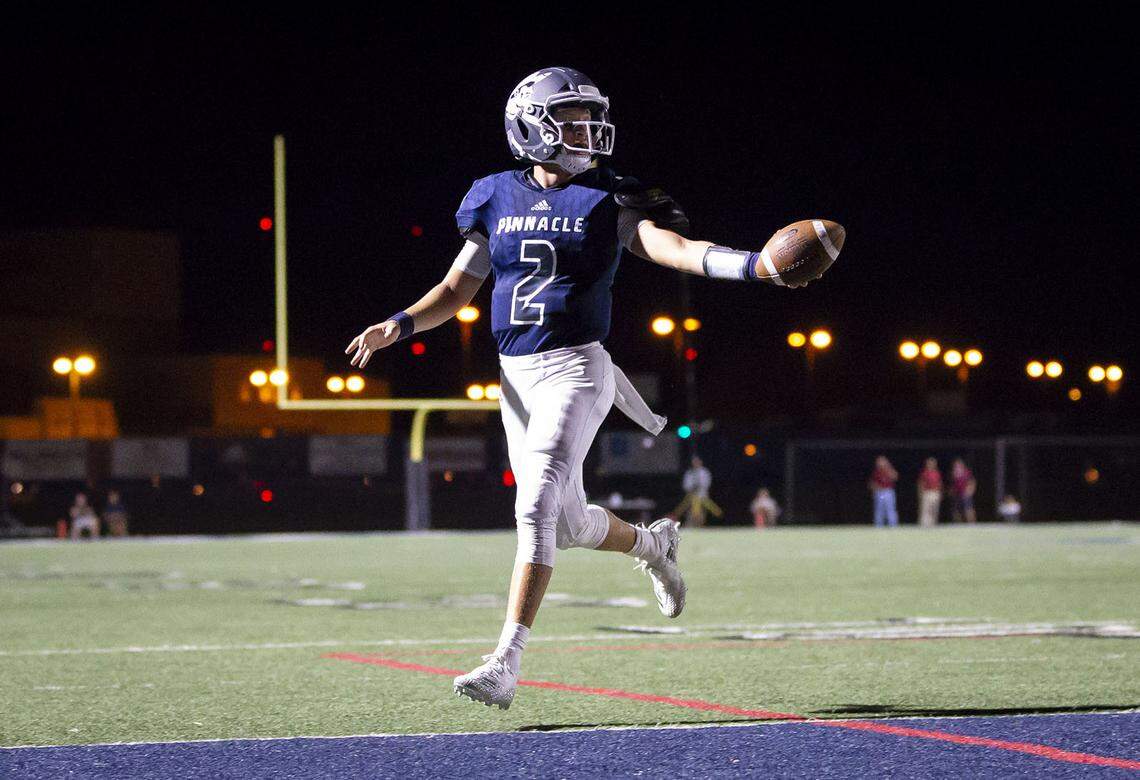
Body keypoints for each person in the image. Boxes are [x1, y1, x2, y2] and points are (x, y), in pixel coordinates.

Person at [346, 67, 823, 710]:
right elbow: (459, 289)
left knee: (535, 505)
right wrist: (399, 324)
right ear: (528, 125)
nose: (584, 131)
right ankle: (653, 544)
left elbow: (674, 247)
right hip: (515, 376)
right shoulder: (491, 195)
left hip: (577, 367)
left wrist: (754, 266)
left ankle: (505, 662)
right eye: (568, 119)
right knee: (566, 523)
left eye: (586, 117)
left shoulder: (611, 196)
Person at [678, 455, 717, 527]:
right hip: (691, 498)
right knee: (691, 514)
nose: (695, 463)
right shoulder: (689, 473)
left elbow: (707, 484)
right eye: (694, 462)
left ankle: (700, 526)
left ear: (700, 462)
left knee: (701, 514)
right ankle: (690, 526)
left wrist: (699, 487)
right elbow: (685, 485)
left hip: (702, 497)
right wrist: (692, 488)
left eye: (697, 461)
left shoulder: (705, 472)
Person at [868, 455, 899, 528]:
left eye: (882, 461)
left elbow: (895, 477)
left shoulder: (889, 469)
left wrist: (888, 468)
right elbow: (871, 483)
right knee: (879, 509)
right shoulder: (876, 472)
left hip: (888, 492)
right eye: (878, 462)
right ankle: (878, 526)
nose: (880, 463)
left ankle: (893, 525)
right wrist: (875, 489)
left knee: (890, 509)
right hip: (880, 493)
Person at [916, 457, 943, 527]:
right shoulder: (924, 473)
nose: (931, 464)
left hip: (935, 493)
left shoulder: (937, 473)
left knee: (935, 510)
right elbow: (921, 484)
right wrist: (921, 493)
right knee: (926, 510)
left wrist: (940, 493)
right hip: (927, 493)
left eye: (932, 463)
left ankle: (933, 524)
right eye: (929, 463)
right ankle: (924, 525)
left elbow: (940, 483)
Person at [950, 458, 977, 523]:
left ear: (962, 465)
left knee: (968, 509)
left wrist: (971, 490)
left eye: (958, 464)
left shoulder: (966, 472)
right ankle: (959, 525)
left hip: (965, 494)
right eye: (956, 465)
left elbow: (972, 481)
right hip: (957, 495)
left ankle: (972, 524)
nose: (957, 466)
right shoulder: (954, 473)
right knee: (956, 511)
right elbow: (953, 484)